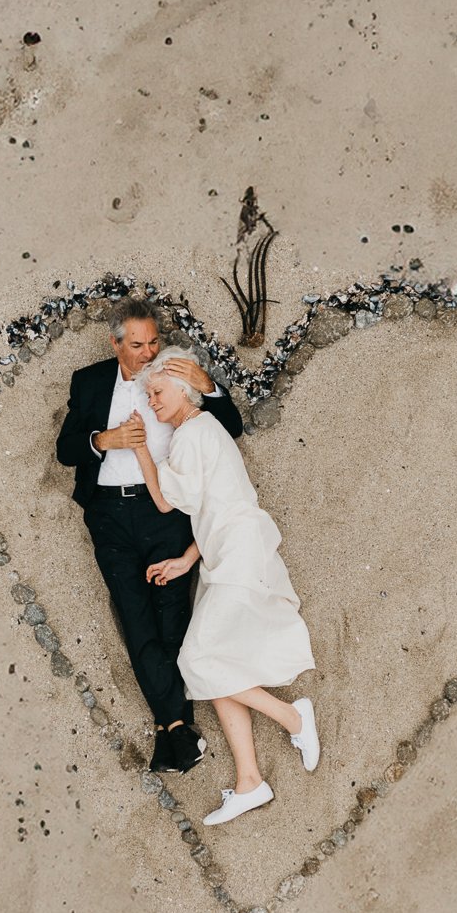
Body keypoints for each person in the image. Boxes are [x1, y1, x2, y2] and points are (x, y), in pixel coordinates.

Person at [54, 300, 244, 774]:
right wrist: (104, 440)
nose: (147, 352)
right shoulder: (90, 381)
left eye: (153, 341)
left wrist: (210, 387)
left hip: (167, 511)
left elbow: (231, 428)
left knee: (171, 617)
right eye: (136, 344)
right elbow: (65, 450)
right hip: (109, 513)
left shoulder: (172, 373)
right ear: (114, 344)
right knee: (134, 615)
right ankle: (176, 725)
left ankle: (171, 732)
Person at [130, 349, 319, 826]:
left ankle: (293, 717)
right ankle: (249, 781)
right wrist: (187, 560)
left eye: (157, 392)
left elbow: (166, 501)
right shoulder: (202, 431)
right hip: (226, 553)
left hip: (237, 554)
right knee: (216, 667)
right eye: (149, 395)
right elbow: (216, 504)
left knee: (196, 660)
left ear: (181, 386)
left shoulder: (191, 433)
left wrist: (139, 452)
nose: (152, 402)